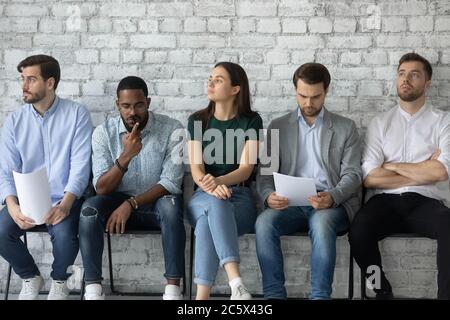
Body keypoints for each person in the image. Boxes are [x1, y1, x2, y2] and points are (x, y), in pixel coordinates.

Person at [256, 62, 362, 300]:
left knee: (322, 224)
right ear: (295, 90)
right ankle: (273, 296)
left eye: (316, 96)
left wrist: (333, 196)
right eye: (302, 96)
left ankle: (320, 296)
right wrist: (268, 196)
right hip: (289, 202)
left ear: (327, 91)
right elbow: (264, 174)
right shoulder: (278, 126)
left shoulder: (346, 128)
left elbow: (353, 174)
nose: (308, 103)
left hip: (331, 203)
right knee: (264, 223)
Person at [349, 52, 450, 300]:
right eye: (402, 74)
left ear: (427, 83)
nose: (406, 79)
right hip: (384, 202)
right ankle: (381, 289)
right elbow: (370, 178)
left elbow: (441, 172)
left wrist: (392, 166)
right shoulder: (380, 123)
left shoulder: (443, 121)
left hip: (425, 202)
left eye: (414, 75)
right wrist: (424, 168)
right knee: (358, 231)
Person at [79, 76, 186, 300]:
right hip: (114, 203)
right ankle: (93, 289)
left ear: (148, 102)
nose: (132, 112)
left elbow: (171, 182)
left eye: (138, 105)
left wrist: (131, 203)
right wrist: (126, 156)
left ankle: (173, 289)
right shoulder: (103, 133)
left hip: (155, 203)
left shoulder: (172, 129)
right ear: (118, 105)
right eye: (126, 106)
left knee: (171, 206)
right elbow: (101, 188)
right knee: (89, 210)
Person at [0, 54, 93, 300]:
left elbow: (81, 165)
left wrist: (66, 203)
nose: (24, 86)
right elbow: (6, 170)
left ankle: (60, 281)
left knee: (64, 235)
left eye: (31, 79)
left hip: (66, 198)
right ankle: (30, 276)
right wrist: (11, 205)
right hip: (26, 200)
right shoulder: (14, 121)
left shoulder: (77, 114)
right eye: (23, 79)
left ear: (50, 83)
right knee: (0, 230)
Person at [186, 62, 263, 300]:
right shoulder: (197, 120)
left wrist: (219, 181)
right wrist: (211, 186)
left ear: (235, 89)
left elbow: (246, 169)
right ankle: (236, 282)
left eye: (218, 79)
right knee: (214, 203)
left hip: (239, 198)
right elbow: (196, 169)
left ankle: (201, 300)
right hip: (202, 196)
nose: (210, 83)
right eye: (210, 78)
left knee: (206, 224)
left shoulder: (252, 121)